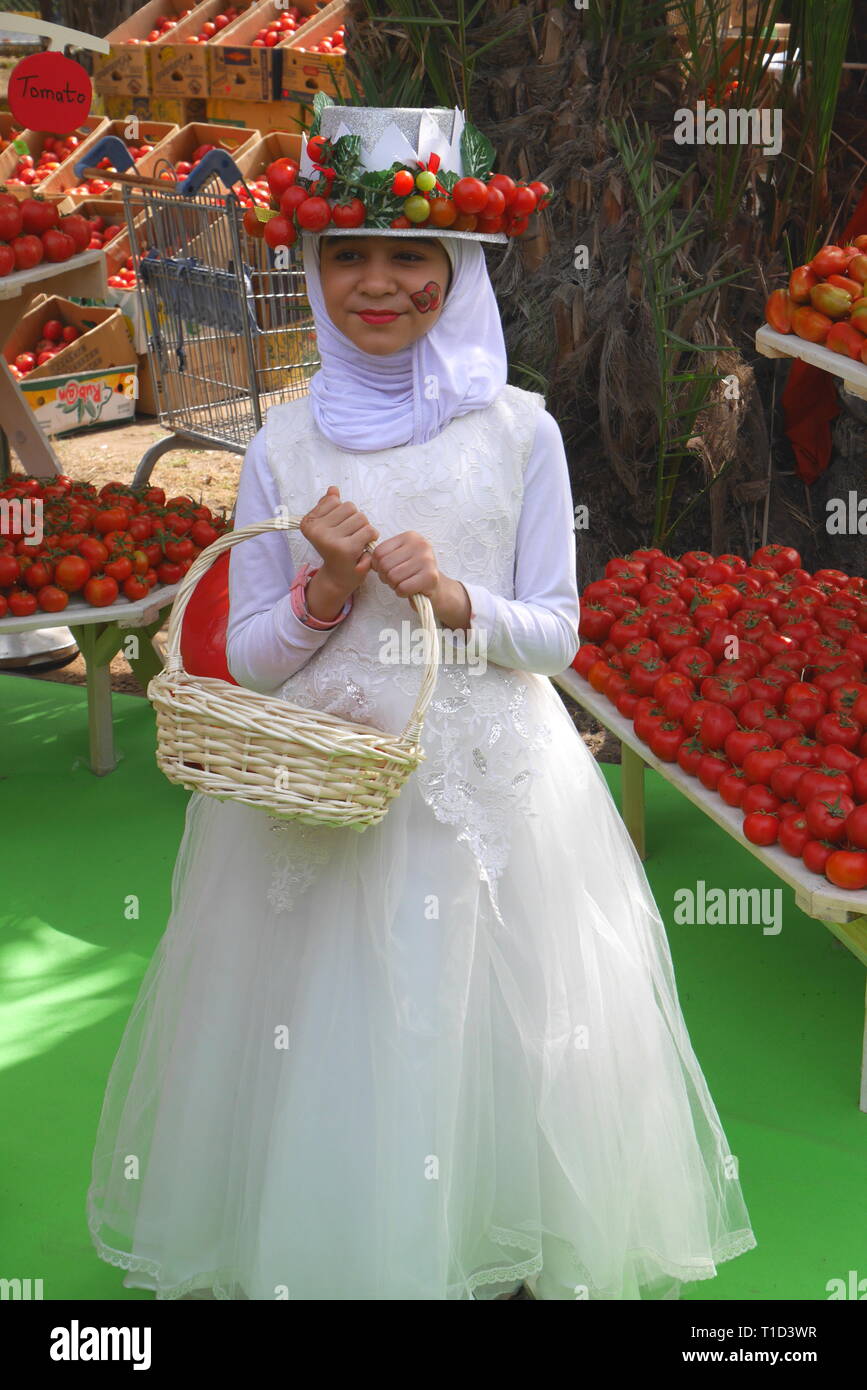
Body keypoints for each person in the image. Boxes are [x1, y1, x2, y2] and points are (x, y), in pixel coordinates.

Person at [86, 104, 757, 1301]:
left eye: (412, 258)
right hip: (319, 796)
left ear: (459, 270)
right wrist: (327, 594)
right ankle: (341, 1248)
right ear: (311, 266)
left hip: (488, 789)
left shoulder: (520, 431)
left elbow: (556, 632)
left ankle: (482, 1243)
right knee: (324, 1033)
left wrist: (454, 599)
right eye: (348, 255)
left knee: (484, 1027)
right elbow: (243, 660)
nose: (378, 283)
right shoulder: (284, 445)